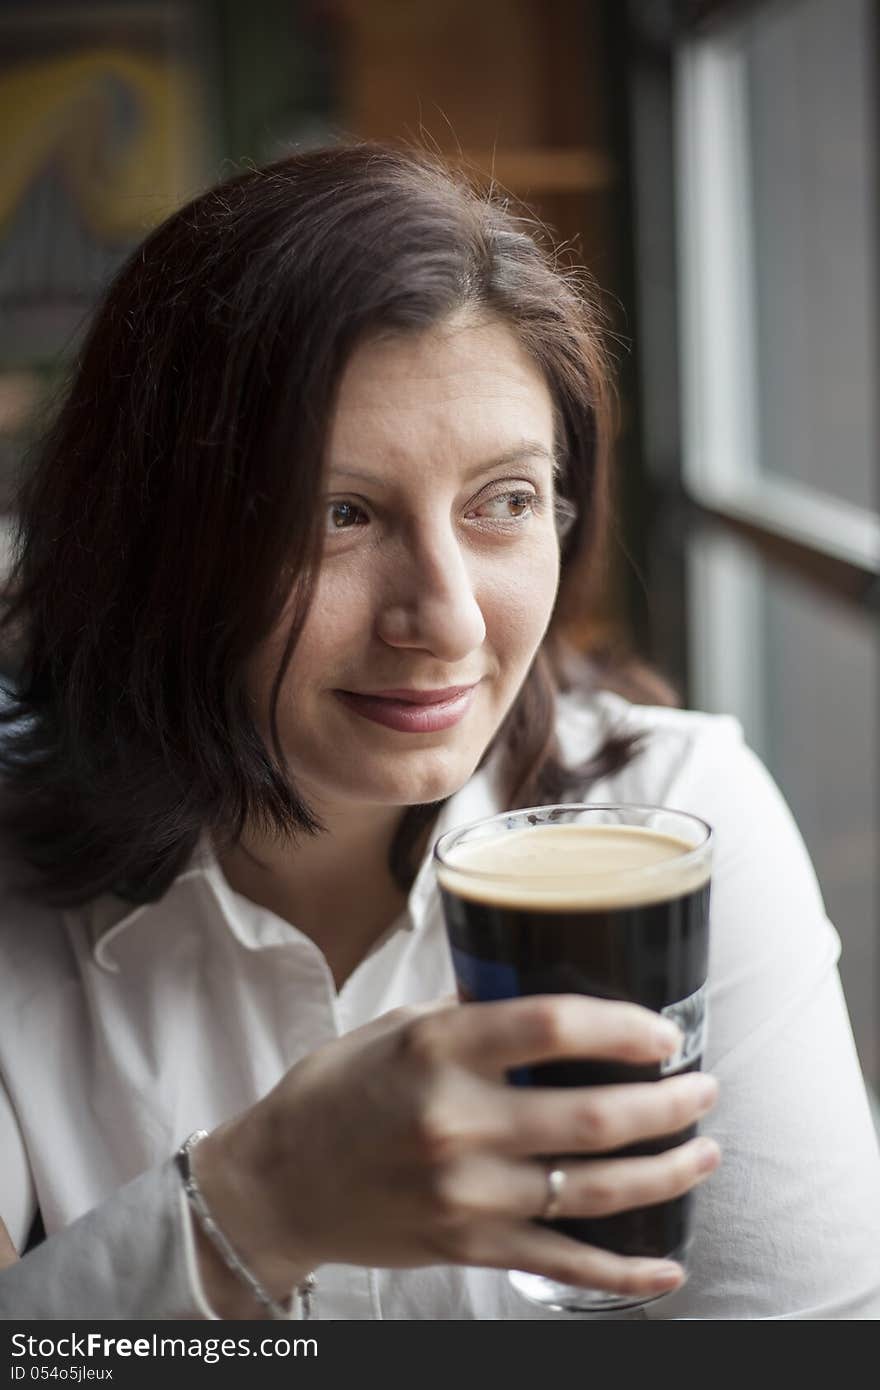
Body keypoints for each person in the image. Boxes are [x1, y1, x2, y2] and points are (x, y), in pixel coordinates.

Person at [0, 142, 878, 1323]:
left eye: (504, 502)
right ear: (156, 539)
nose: (447, 619)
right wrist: (261, 1199)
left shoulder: (685, 813)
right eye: (340, 514)